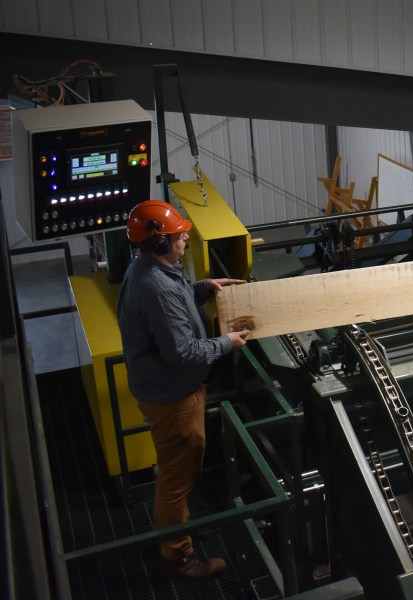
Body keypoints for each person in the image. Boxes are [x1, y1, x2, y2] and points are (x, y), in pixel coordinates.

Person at [116, 200, 250, 579]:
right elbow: (182, 352)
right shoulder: (156, 287)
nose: (186, 239)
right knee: (176, 479)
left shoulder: (150, 268)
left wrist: (202, 289)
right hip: (172, 398)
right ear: (159, 243)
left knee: (183, 471)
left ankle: (180, 526)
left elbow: (174, 304)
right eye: (179, 236)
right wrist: (226, 343)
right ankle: (178, 555)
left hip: (169, 390)